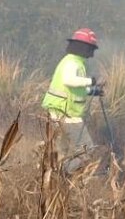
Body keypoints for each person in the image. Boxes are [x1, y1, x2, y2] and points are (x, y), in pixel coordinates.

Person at [41, 28, 106, 173]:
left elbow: (74, 90)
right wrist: (91, 81)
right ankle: (63, 174)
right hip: (67, 114)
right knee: (86, 150)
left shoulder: (73, 61)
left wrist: (92, 91)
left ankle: (55, 177)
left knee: (62, 151)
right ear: (86, 47)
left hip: (59, 112)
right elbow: (69, 80)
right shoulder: (73, 63)